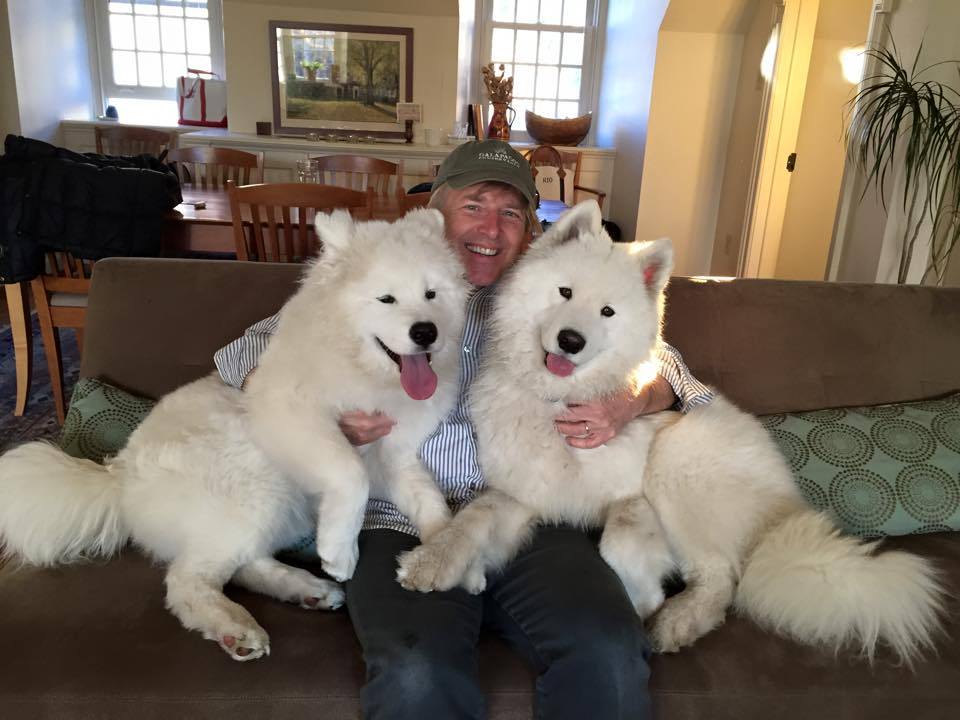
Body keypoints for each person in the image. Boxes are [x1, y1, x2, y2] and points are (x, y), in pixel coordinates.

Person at [214, 140, 713, 719]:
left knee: (607, 649)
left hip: (527, 513)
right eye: (475, 206)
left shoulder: (553, 288)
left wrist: (632, 400)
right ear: (438, 208)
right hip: (401, 519)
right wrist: (316, 412)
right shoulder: (388, 278)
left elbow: (671, 370)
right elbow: (242, 359)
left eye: (510, 214)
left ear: (528, 230)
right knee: (415, 669)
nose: (491, 229)